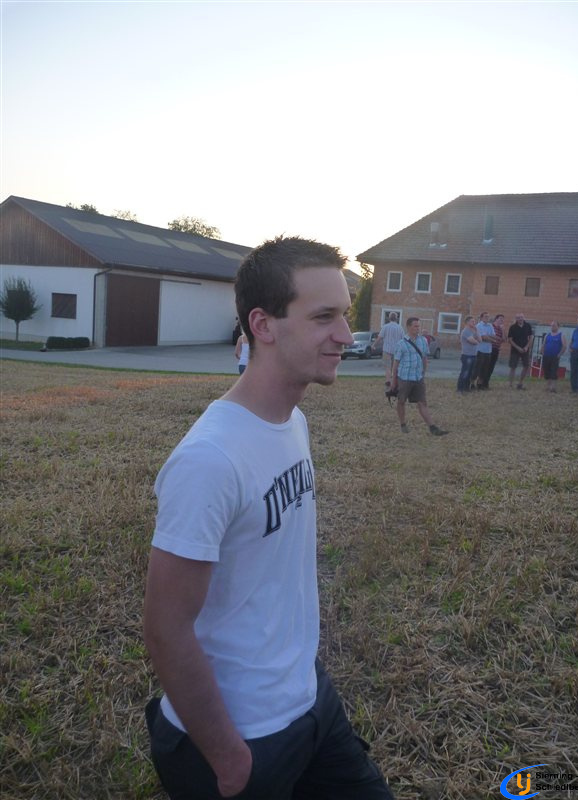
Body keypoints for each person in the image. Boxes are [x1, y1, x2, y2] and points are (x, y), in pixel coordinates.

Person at [143, 235, 395, 800]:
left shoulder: (292, 422)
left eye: (345, 315)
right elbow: (165, 627)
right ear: (263, 325)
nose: (345, 335)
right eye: (324, 317)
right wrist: (230, 760)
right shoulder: (210, 459)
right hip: (245, 736)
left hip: (309, 698)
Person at [390, 316, 448, 435]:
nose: (418, 328)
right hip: (404, 378)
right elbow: (396, 364)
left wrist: (423, 373)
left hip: (418, 378)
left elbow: (424, 358)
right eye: (415, 326)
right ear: (408, 327)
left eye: (419, 326)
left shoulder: (423, 341)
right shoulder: (401, 343)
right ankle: (403, 424)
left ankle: (433, 428)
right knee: (401, 401)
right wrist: (393, 381)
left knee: (422, 402)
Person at [373, 312, 403, 387]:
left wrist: (374, 345)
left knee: (387, 366)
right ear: (396, 318)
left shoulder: (385, 327)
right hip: (397, 350)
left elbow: (380, 337)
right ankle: (395, 381)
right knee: (395, 367)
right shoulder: (400, 328)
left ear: (389, 318)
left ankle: (388, 381)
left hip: (387, 350)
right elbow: (403, 339)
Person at [507, 313, 533, 390]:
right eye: (518, 318)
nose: (520, 319)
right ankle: (510, 385)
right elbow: (510, 340)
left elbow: (531, 337)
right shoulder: (512, 327)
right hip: (515, 350)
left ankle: (520, 383)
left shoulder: (528, 326)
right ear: (516, 319)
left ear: (524, 318)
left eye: (521, 317)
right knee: (513, 367)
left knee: (526, 366)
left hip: (525, 349)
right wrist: (518, 348)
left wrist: (527, 347)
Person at [471, 312, 496, 390]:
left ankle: (479, 384)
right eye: (485, 316)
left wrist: (487, 336)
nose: (487, 318)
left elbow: (494, 336)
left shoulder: (490, 325)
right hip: (480, 350)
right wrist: (492, 340)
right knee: (477, 368)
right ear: (481, 318)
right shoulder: (478, 326)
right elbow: (483, 338)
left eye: (488, 317)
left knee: (484, 369)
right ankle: (472, 384)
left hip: (488, 351)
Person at [457, 316, 481, 393]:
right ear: (467, 322)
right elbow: (474, 342)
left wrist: (477, 330)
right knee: (465, 372)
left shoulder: (473, 331)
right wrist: (476, 341)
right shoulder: (466, 331)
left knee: (470, 373)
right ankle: (460, 388)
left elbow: (480, 340)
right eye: (472, 321)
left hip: (473, 355)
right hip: (467, 355)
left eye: (474, 321)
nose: (474, 323)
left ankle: (466, 388)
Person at [541, 321, 567, 393]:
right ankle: (548, 386)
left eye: (554, 326)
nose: (552, 327)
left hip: (555, 357)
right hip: (546, 356)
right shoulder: (547, 335)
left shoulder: (561, 335)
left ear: (558, 327)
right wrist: (542, 352)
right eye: (551, 325)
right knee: (546, 371)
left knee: (553, 372)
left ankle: (553, 388)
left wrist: (559, 354)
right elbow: (543, 344)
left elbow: (564, 346)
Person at [487, 314, 505, 383]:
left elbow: (504, 340)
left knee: (491, 367)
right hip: (489, 349)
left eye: (503, 319)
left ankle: (486, 383)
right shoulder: (490, 326)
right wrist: (498, 338)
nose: (502, 320)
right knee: (486, 366)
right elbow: (489, 335)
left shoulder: (501, 328)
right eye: (500, 318)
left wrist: (503, 330)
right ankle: (480, 383)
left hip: (496, 349)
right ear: (496, 319)